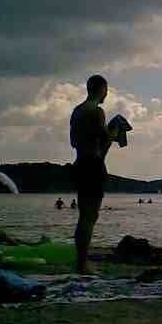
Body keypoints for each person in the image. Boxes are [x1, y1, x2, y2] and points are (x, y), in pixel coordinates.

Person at [70, 74, 118, 274]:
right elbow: (106, 137)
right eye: (106, 90)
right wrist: (115, 132)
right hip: (93, 165)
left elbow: (73, 142)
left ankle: (81, 261)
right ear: (102, 89)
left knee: (84, 216)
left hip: (80, 163)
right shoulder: (97, 112)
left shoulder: (77, 111)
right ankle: (82, 264)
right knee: (90, 216)